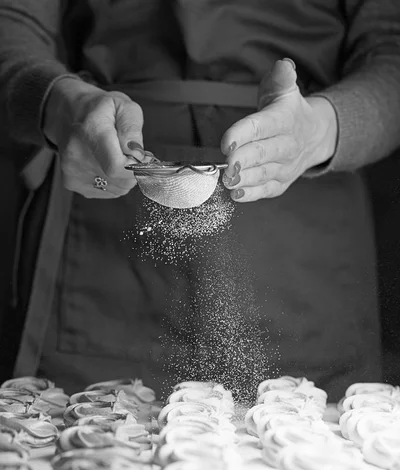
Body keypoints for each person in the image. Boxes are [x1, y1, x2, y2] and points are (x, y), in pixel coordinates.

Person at [0, 0, 399, 401]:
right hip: (106, 226)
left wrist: (320, 130)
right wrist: (57, 102)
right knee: (91, 441)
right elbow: (13, 25)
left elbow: (391, 55)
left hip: (302, 232)